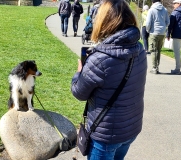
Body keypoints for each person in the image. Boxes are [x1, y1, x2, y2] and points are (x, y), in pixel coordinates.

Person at [71, 0, 147, 159]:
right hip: (130, 128)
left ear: (104, 21)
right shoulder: (139, 49)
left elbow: (79, 93)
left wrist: (79, 73)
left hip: (105, 136)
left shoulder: (99, 59)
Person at [146, 0, 170, 74]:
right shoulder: (165, 10)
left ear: (153, 2)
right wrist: (163, 28)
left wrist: (148, 30)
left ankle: (154, 68)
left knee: (153, 50)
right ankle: (157, 67)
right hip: (162, 33)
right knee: (158, 50)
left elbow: (148, 23)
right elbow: (168, 22)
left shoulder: (151, 10)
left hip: (154, 32)